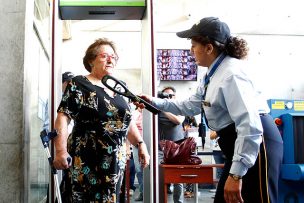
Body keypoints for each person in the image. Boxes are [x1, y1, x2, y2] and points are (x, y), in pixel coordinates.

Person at [137, 17, 283, 203]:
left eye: (193, 45)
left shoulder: (231, 74)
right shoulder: (212, 74)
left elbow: (250, 125)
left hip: (256, 143)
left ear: (209, 48)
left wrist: (236, 175)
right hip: (236, 142)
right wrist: (153, 102)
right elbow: (189, 105)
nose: (191, 50)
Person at [53, 38, 150, 202]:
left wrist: (140, 144)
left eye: (114, 57)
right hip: (86, 156)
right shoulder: (79, 83)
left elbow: (127, 121)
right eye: (105, 56)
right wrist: (60, 151)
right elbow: (64, 116)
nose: (111, 60)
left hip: (114, 160)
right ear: (91, 60)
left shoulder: (120, 87)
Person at [158, 86, 185, 203]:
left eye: (170, 95)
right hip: (161, 148)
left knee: (178, 177)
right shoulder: (157, 109)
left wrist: (163, 108)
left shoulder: (180, 107)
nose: (168, 98)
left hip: (177, 147)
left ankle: (178, 201)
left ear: (174, 96)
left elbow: (178, 120)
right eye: (165, 95)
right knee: (159, 177)